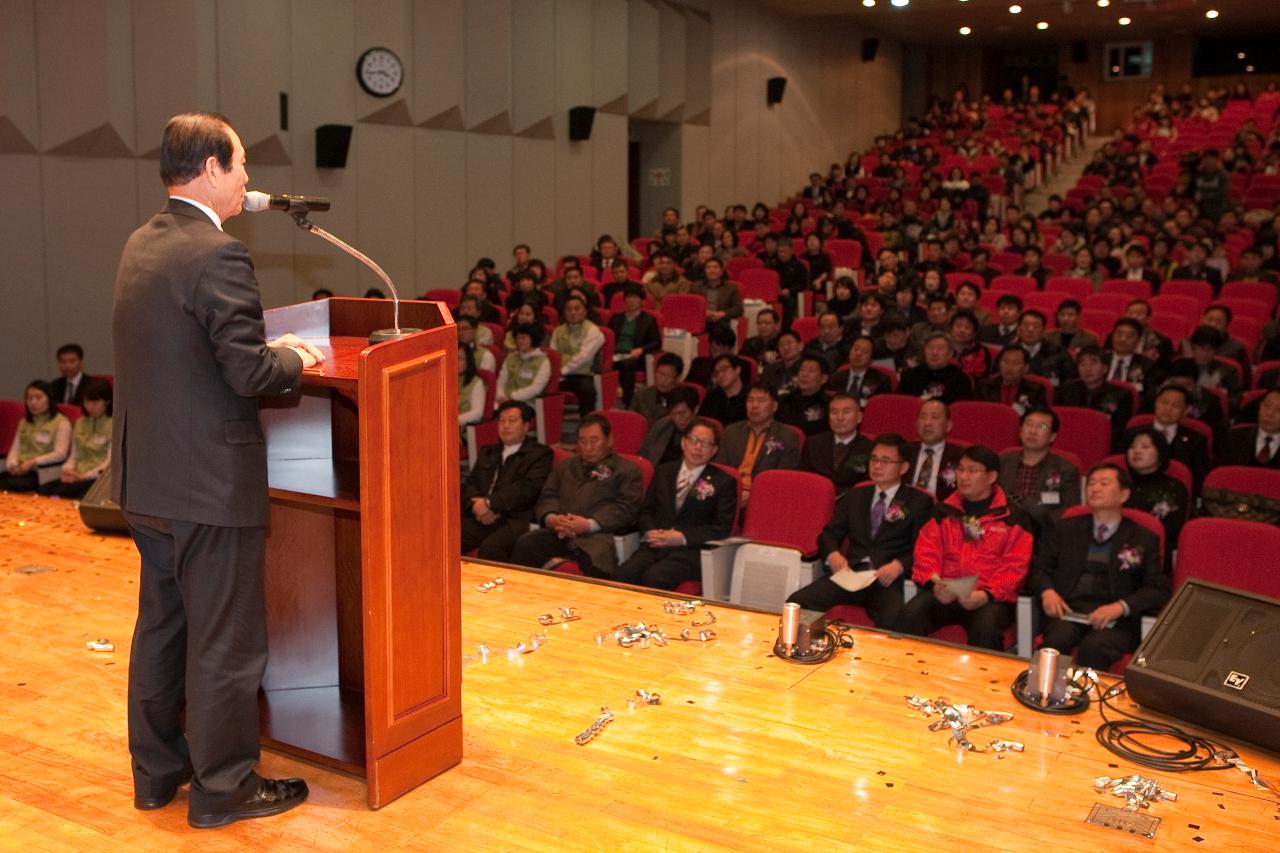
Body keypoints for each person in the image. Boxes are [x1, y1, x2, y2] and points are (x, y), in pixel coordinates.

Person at [111, 113, 321, 826]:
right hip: (209, 483)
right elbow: (246, 372)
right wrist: (297, 357)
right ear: (208, 168)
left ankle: (156, 772)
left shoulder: (143, 243)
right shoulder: (219, 253)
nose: (246, 180)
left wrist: (265, 345)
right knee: (226, 639)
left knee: (163, 627)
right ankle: (224, 786)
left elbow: (185, 351)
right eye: (240, 166)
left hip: (150, 481)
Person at [788, 433, 934, 629]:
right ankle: (809, 651)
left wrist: (899, 565)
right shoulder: (857, 495)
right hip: (850, 572)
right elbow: (829, 534)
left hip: (885, 579)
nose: (877, 466)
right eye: (874, 459)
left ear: (904, 467)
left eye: (885, 461)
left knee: (894, 620)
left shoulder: (918, 502)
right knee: (797, 603)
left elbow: (923, 547)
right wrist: (833, 554)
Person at [1031, 464, 1168, 670]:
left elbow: (1157, 588)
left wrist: (1120, 607)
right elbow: (1039, 568)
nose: (1095, 488)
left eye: (1104, 483)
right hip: (1068, 611)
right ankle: (1044, 697)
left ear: (1124, 494)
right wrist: (1047, 592)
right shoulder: (1066, 528)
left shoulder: (1143, 537)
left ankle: (1087, 701)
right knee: (1057, 640)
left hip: (1117, 620)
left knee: (1094, 647)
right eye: (1092, 483)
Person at [899, 446, 1034, 651]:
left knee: (986, 630)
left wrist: (986, 595)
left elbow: (1015, 567)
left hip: (989, 597)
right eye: (960, 469)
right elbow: (927, 552)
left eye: (972, 471)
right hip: (947, 590)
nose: (963, 476)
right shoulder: (944, 510)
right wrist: (934, 583)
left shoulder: (1013, 517)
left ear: (991, 476)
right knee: (910, 615)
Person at [509, 415, 644, 577]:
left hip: (596, 537)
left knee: (597, 562)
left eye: (594, 441)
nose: (587, 447)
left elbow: (626, 507)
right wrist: (552, 519)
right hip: (559, 531)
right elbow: (548, 496)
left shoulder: (627, 470)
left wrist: (589, 524)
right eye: (582, 441)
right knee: (526, 544)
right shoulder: (565, 466)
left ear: (609, 440)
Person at [616, 420, 737, 590]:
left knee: (656, 577)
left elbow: (721, 528)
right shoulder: (664, 471)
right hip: (656, 545)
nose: (698, 448)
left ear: (714, 450)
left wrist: (681, 537)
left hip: (691, 551)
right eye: (694, 440)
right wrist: (650, 531)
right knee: (625, 573)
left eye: (705, 444)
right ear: (683, 442)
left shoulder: (724, 482)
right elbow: (647, 510)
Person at [460, 401, 554, 560]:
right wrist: (476, 506)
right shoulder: (488, 451)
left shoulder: (540, 454)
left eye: (512, 421)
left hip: (515, 519)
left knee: (491, 549)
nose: (505, 425)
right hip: (481, 515)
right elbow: (470, 484)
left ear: (526, 426)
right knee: (445, 537)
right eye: (502, 421)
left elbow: (527, 489)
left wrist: (490, 503)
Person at [714, 384, 802, 508]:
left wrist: (754, 495)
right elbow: (720, 468)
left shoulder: (787, 436)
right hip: (729, 494)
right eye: (750, 400)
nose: (754, 405)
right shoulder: (731, 431)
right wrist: (731, 494)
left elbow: (784, 478)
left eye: (761, 400)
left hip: (765, 499)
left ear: (775, 406)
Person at [998, 408, 1082, 534]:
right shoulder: (1003, 461)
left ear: (1052, 436)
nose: (1032, 431)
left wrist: (1036, 524)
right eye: (1028, 424)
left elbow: (1069, 509)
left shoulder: (1065, 469)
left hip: (1042, 533)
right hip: (1001, 528)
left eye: (1041, 427)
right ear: (1020, 430)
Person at [1124, 427, 1189, 566]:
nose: (1137, 451)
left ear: (1160, 453)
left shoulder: (1174, 489)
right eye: (1132, 447)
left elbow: (1170, 533)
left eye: (1145, 446)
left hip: (1152, 555)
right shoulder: (1118, 483)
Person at [39, 378, 114, 498]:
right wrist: (67, 470)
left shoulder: (114, 425)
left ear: (107, 402)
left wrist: (84, 476)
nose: (90, 407)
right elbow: (74, 455)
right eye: (87, 402)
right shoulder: (80, 422)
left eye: (95, 403)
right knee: (44, 489)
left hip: (96, 477)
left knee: (63, 494)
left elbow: (109, 463)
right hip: (76, 473)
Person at [1128, 384, 1211, 491]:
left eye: (1175, 406)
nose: (1167, 409)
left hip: (1174, 491)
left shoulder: (1196, 440)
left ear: (1186, 410)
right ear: (1156, 403)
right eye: (1164, 402)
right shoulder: (1134, 433)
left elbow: (1198, 479)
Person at [1056, 346, 1134, 449]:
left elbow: (1121, 430)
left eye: (1093, 363)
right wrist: (1044, 430)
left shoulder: (1121, 394)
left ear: (1105, 368)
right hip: (1067, 441)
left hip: (1103, 445)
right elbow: (1049, 421)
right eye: (1082, 364)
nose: (1087, 369)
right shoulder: (1065, 390)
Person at [0, 380, 72, 492]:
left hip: (42, 471)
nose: (33, 402)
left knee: (8, 485)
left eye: (38, 398)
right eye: (29, 399)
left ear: (49, 399)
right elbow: (15, 448)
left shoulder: (62, 422)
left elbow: (60, 453)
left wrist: (33, 462)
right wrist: (12, 465)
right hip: (21, 468)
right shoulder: (24, 422)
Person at [801, 393, 874, 489]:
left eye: (846, 412)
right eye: (834, 412)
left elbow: (868, 484)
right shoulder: (813, 443)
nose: (840, 418)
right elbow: (803, 477)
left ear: (859, 417)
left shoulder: (870, 448)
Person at [607, 285, 661, 406]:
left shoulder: (648, 320)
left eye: (635, 298)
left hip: (635, 355)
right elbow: (607, 338)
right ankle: (605, 402)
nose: (631, 300)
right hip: (615, 354)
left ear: (642, 302)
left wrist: (640, 349)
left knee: (627, 364)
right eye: (629, 297)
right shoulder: (616, 318)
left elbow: (656, 342)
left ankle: (628, 402)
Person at [550, 295, 604, 414]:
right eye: (569, 309)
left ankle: (587, 423)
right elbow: (553, 355)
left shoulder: (593, 331)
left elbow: (584, 357)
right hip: (559, 374)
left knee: (587, 389)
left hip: (582, 374)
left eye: (577, 309)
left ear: (585, 311)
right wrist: (556, 373)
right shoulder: (558, 331)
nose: (573, 312)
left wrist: (563, 371)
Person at [904, 399, 965, 501]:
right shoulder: (903, 451)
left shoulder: (960, 457)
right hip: (903, 510)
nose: (927, 423)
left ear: (948, 426)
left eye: (934, 417)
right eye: (923, 417)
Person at [897, 333, 973, 403]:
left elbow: (961, 410)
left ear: (950, 354)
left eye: (940, 349)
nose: (934, 352)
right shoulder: (909, 376)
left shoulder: (960, 379)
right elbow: (900, 403)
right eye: (930, 348)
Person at [976, 347, 1048, 416]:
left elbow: (1045, 423)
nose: (1009, 367)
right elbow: (974, 414)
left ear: (1026, 368)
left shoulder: (1035, 390)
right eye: (1005, 361)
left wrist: (1042, 429)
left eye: (1016, 363)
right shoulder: (984, 386)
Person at [1218, 388, 1280, 468]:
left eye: (1279, 410)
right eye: (1266, 406)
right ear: (1259, 406)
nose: (1269, 413)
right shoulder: (1234, 437)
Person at [637, 386, 700, 466]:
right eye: (673, 413)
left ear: (695, 409)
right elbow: (642, 454)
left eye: (682, 413)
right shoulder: (661, 426)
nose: (677, 418)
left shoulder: (705, 435)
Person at [494, 324, 550, 405]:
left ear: (533, 339)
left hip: (526, 403)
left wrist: (511, 397)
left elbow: (535, 389)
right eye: (517, 338)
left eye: (523, 338)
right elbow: (501, 381)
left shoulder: (543, 361)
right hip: (504, 400)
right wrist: (500, 395)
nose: (520, 341)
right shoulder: (510, 358)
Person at [1017, 310, 1076, 385]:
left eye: (1036, 326)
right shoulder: (1008, 353)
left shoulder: (1059, 353)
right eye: (1026, 325)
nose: (1030, 329)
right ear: (1018, 330)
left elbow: (1069, 383)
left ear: (1043, 331)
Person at [829, 336, 892, 405]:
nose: (858, 353)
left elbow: (882, 407)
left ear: (871, 359)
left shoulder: (881, 380)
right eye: (856, 349)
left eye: (864, 351)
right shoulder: (835, 378)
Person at [631, 353, 684, 423]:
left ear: (677, 378)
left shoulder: (682, 400)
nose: (663, 379)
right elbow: (630, 420)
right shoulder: (641, 395)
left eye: (667, 376)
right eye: (660, 373)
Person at [699, 355, 749, 426]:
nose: (720, 375)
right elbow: (702, 422)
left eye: (724, 369)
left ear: (737, 370)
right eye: (716, 373)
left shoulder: (751, 396)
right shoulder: (711, 397)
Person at [49, 343, 97, 407]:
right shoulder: (54, 385)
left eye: (72, 361)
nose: (67, 365)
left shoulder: (93, 385)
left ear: (81, 363)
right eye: (63, 361)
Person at [457, 346, 486, 430]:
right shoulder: (444, 380)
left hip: (461, 428)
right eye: (452, 356)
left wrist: (454, 420)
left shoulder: (476, 383)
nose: (454, 361)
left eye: (459, 358)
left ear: (468, 361)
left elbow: (477, 413)